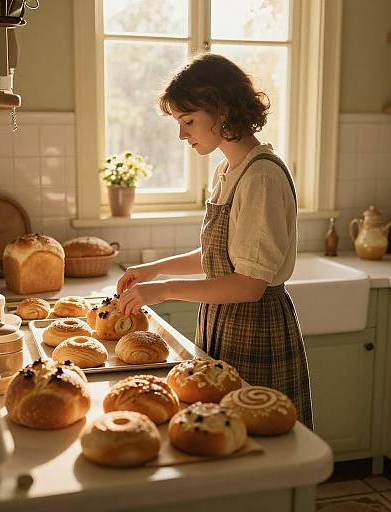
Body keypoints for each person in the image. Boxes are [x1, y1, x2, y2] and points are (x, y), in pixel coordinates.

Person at [116, 53, 313, 429]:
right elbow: (219, 256)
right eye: (178, 122)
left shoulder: (261, 178)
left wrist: (165, 291)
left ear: (222, 110)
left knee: (257, 441)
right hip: (222, 319)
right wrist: (151, 272)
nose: (182, 134)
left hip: (256, 329)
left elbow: (250, 285)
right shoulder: (229, 169)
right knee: (219, 433)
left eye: (188, 121)